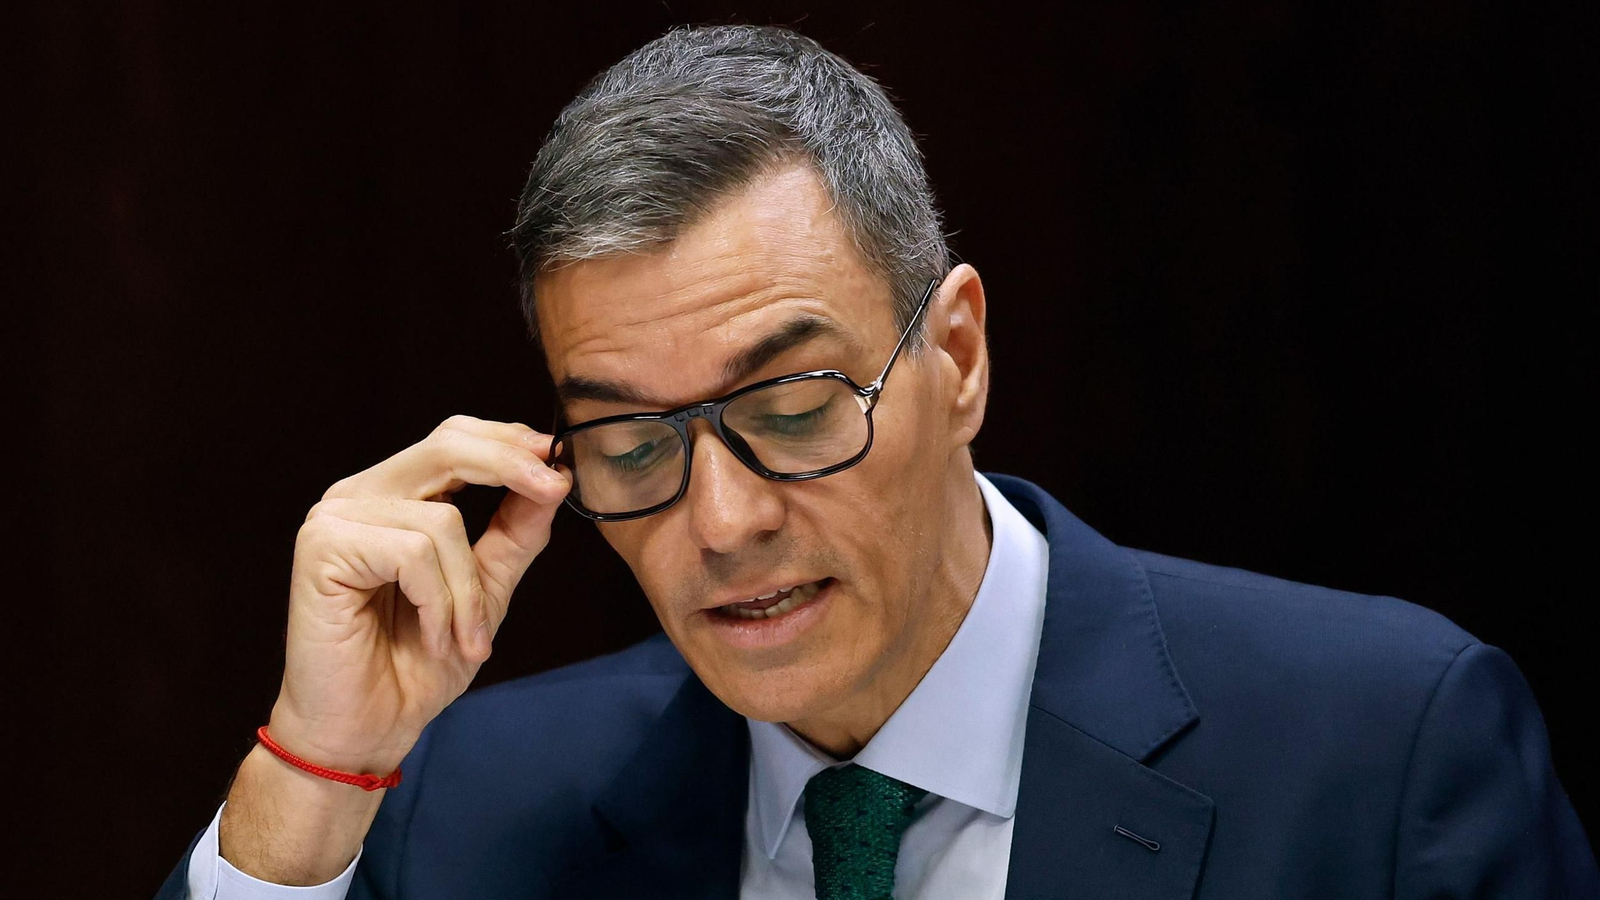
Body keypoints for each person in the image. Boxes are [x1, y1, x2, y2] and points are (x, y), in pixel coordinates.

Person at [156, 23, 1597, 900]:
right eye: (633, 442)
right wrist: (317, 771)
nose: (719, 522)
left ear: (957, 356)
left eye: (790, 406)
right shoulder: (484, 804)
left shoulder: (1386, 752)